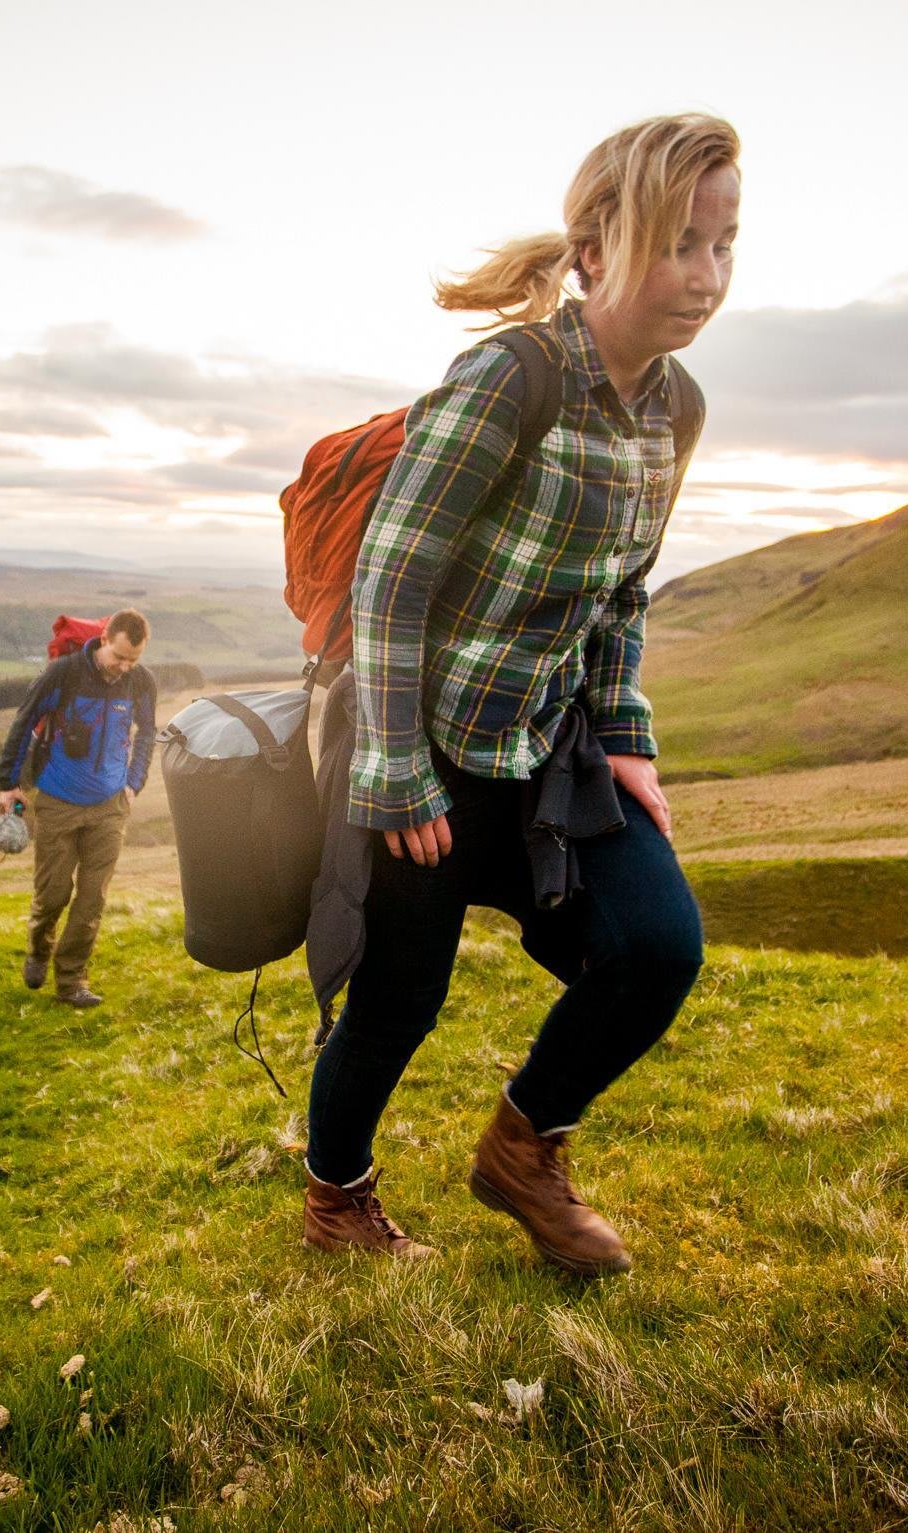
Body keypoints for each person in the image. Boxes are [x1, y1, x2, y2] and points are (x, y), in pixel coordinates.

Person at [301, 114, 738, 1274]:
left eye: (722, 246)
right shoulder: (512, 377)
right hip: (424, 751)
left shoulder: (673, 409)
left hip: (549, 756)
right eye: (677, 246)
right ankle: (336, 1201)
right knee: (395, 1004)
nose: (703, 279)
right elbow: (393, 573)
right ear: (592, 249)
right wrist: (391, 768)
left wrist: (627, 736)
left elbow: (619, 598)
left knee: (655, 947)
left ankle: (520, 1151)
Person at [0, 609, 158, 1008]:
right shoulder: (64, 674)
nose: (124, 667)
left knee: (91, 900)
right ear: (104, 639)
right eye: (119, 657)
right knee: (53, 894)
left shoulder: (140, 682)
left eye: (132, 660)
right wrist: (9, 784)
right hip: (58, 799)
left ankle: (71, 982)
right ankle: (38, 949)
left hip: (110, 806)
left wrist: (135, 783)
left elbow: (148, 731)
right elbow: (25, 719)